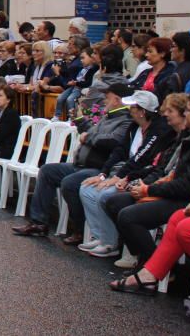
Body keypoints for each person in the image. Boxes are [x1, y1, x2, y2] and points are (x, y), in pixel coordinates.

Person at [109, 94, 190, 295]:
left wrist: (150, 189)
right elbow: (169, 171)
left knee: (179, 225)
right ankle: (151, 271)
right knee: (117, 202)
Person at [12, 83, 134, 238]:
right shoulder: (108, 116)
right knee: (48, 170)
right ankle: (39, 222)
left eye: (107, 97)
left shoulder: (125, 121)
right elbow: (91, 133)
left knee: (70, 183)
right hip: (81, 165)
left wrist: (89, 137)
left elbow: (113, 141)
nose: (104, 101)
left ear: (117, 100)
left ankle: (80, 229)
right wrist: (81, 120)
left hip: (99, 168)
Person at [76, 90, 175, 257]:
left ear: (143, 111)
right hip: (124, 172)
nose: (130, 110)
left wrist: (118, 178)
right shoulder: (133, 126)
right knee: (86, 189)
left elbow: (140, 158)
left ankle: (110, 243)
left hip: (142, 176)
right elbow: (119, 151)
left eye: (133, 107)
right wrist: (103, 174)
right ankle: (100, 236)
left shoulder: (159, 130)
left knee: (104, 195)